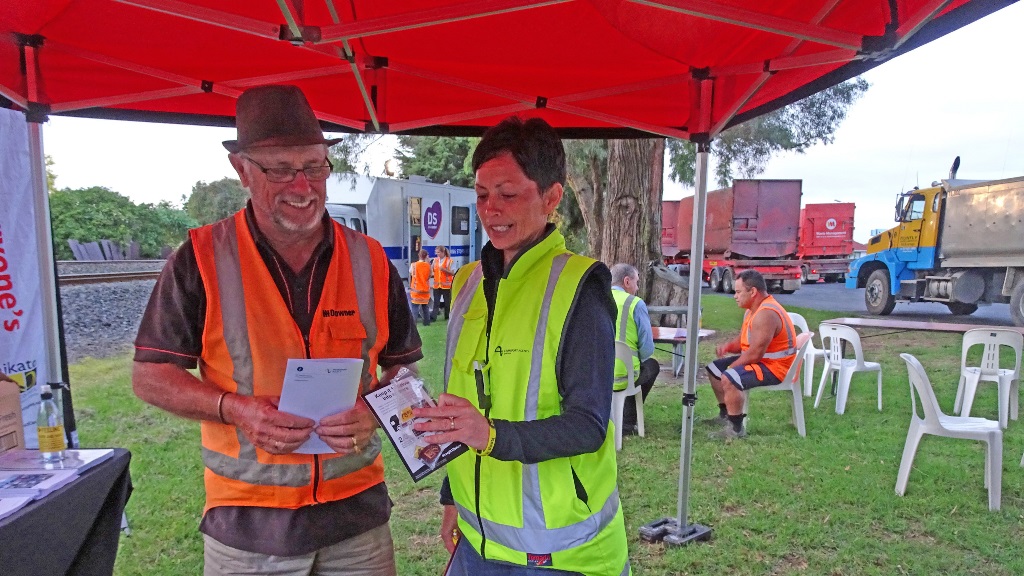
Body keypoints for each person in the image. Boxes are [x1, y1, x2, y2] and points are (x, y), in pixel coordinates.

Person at [131, 84, 423, 576]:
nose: (302, 186)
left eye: (313, 167)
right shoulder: (200, 259)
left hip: (357, 521)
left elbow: (404, 368)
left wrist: (374, 411)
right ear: (241, 170)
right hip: (248, 527)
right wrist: (236, 409)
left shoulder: (369, 260)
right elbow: (150, 376)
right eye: (280, 169)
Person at [412, 116, 630, 575]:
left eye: (508, 194)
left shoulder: (580, 287)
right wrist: (452, 497)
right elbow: (464, 403)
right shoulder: (467, 282)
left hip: (560, 553)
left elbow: (588, 425)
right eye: (482, 194)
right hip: (477, 540)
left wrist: (489, 436)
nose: (490, 209)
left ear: (552, 197)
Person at [705, 269, 798, 440]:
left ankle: (736, 429)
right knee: (713, 369)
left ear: (753, 292)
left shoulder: (766, 313)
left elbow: (754, 354)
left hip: (776, 367)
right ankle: (725, 414)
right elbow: (744, 341)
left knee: (729, 376)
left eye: (739, 292)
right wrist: (727, 347)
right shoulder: (752, 310)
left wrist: (731, 368)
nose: (735, 296)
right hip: (763, 361)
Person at [610, 263, 660, 435]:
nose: (637, 287)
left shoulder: (595, 299)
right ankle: (628, 420)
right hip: (623, 377)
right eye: (636, 282)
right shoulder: (634, 304)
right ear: (626, 281)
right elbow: (647, 349)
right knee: (651, 365)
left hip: (596, 375)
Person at [430, 245, 455, 321]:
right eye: (436, 252)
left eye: (438, 252)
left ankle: (447, 316)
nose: (437, 254)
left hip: (446, 285)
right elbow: (432, 271)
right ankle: (433, 317)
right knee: (436, 302)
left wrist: (444, 270)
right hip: (437, 285)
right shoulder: (435, 260)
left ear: (443, 252)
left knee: (447, 302)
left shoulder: (450, 261)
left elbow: (453, 273)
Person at [409, 248, 432, 326]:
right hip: (425, 290)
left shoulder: (413, 265)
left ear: (418, 255)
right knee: (425, 308)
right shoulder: (428, 266)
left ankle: (413, 323)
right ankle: (427, 322)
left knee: (415, 308)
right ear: (426, 256)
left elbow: (411, 273)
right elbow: (430, 276)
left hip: (416, 290)